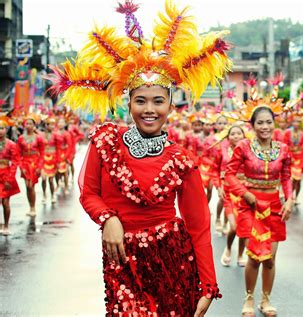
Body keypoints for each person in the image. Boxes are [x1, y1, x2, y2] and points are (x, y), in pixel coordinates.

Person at [47, 0, 231, 314]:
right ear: (128, 104)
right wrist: (109, 219)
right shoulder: (106, 141)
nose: (149, 109)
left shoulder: (181, 160)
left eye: (158, 101)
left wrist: (208, 285)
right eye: (141, 101)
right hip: (121, 261)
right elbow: (89, 193)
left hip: (172, 261)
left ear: (171, 106)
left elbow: (198, 225)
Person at [225, 99, 293, 316]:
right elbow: (229, 175)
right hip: (251, 206)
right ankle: (249, 299)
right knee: (254, 256)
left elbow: (287, 177)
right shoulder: (243, 147)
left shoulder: (283, 149)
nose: (265, 127)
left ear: (274, 124)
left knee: (270, 259)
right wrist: (246, 194)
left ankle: (265, 299)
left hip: (274, 206)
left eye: (268, 122)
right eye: (260, 123)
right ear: (252, 126)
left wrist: (290, 200)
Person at [217, 125, 247, 267]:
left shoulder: (250, 151)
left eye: (238, 133)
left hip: (246, 193)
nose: (236, 136)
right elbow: (216, 169)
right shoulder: (223, 151)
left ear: (243, 135)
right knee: (234, 227)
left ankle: (241, 254)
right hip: (229, 193)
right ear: (228, 137)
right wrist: (219, 186)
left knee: (244, 228)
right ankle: (228, 248)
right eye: (233, 134)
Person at [18, 115, 45, 216]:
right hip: (25, 164)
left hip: (34, 164)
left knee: (31, 186)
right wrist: (21, 166)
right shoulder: (20, 138)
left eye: (30, 123)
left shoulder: (39, 138)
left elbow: (42, 153)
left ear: (34, 125)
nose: (28, 125)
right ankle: (30, 207)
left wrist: (39, 166)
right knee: (27, 186)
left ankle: (33, 208)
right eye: (27, 123)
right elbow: (18, 153)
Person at [0, 117, 20, 235]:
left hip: (6, 175)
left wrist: (10, 179)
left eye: (2, 128)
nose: (0, 131)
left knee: (5, 202)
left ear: (6, 130)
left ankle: (6, 225)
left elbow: (15, 162)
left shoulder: (11, 144)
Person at [283, 110, 303, 203]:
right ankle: (290, 196)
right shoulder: (288, 133)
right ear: (292, 122)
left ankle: (296, 196)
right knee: (291, 179)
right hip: (291, 158)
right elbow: (285, 145)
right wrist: (289, 156)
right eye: (294, 121)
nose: (296, 123)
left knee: (298, 180)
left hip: (300, 159)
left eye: (298, 122)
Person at [41, 117, 60, 204]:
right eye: (50, 124)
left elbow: (58, 149)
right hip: (43, 159)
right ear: (46, 125)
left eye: (53, 124)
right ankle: (44, 194)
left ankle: (52, 195)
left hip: (52, 159)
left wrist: (58, 161)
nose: (52, 126)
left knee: (51, 180)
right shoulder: (41, 135)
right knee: (44, 179)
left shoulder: (56, 135)